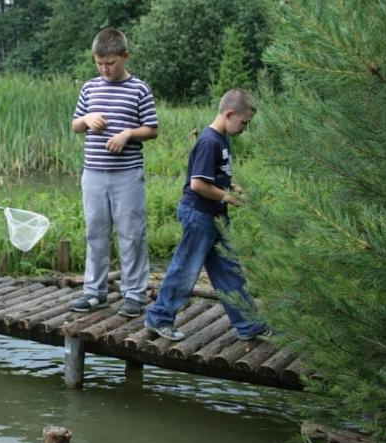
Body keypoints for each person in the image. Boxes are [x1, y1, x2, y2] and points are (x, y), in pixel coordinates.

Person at [144, 89, 270, 341]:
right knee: (186, 269)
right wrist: (228, 197)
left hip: (215, 216)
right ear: (230, 114)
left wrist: (231, 186)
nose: (245, 127)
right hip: (199, 214)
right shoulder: (209, 141)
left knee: (229, 271)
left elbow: (216, 175)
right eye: (244, 122)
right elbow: (198, 184)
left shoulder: (222, 139)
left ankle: (249, 324)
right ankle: (158, 318)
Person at [70, 27, 160, 317]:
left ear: (125, 57)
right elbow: (74, 125)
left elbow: (152, 129)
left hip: (127, 175)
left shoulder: (139, 89)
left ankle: (134, 294)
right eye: (99, 63)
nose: (105, 69)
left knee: (131, 234)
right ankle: (94, 292)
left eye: (110, 63)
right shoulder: (89, 88)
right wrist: (86, 119)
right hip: (93, 173)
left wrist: (127, 135)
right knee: (95, 233)